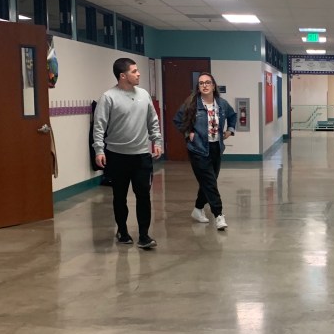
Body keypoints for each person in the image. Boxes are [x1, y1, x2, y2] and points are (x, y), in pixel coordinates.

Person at [93, 58, 163, 249]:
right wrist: (99, 150)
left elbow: (152, 120)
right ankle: (122, 231)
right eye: (134, 71)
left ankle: (144, 235)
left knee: (143, 196)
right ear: (123, 76)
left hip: (141, 156)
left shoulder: (144, 95)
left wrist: (157, 141)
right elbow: (99, 126)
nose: (138, 74)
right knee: (119, 196)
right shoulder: (108, 97)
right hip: (117, 156)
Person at [174, 73, 237, 231]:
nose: (205, 85)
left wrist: (230, 130)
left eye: (208, 82)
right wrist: (188, 133)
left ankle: (198, 209)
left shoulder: (222, 104)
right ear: (198, 87)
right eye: (201, 83)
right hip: (198, 148)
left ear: (213, 86)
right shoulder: (192, 104)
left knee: (209, 180)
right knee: (210, 182)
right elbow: (178, 119)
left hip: (216, 147)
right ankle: (218, 215)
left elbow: (232, 115)